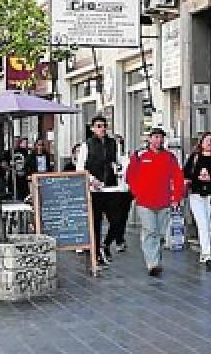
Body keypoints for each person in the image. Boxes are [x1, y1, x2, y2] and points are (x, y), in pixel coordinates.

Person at [125, 126, 185, 277]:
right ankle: (152, 263)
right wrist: (136, 192)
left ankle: (156, 259)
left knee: (160, 233)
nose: (158, 140)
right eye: (155, 137)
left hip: (164, 201)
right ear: (149, 139)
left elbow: (177, 178)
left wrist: (176, 197)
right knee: (150, 231)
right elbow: (130, 176)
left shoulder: (169, 157)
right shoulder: (139, 156)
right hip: (145, 202)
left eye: (160, 137)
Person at [75, 116, 131, 265]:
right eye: (99, 126)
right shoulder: (87, 145)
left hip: (112, 188)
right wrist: (92, 179)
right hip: (95, 190)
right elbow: (80, 168)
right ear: (92, 128)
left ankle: (106, 244)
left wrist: (121, 170)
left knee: (117, 220)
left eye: (104, 126)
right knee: (96, 222)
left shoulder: (114, 144)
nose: (102, 129)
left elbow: (121, 162)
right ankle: (96, 252)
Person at [183, 132, 211, 265]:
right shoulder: (195, 157)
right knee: (202, 223)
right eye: (206, 140)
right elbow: (186, 174)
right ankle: (206, 253)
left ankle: (205, 249)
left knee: (209, 224)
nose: (209, 143)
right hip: (196, 194)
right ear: (201, 143)